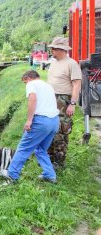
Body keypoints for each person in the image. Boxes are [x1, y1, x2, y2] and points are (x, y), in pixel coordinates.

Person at [1, 70, 60, 183]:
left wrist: (29, 120)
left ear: (28, 78)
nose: (25, 84)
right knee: (40, 149)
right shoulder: (48, 86)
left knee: (24, 148)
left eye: (24, 82)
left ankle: (12, 174)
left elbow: (32, 99)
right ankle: (50, 175)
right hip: (54, 121)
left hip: (41, 121)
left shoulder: (31, 84)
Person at [47, 37, 82, 168]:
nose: (51, 51)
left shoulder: (71, 63)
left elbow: (77, 85)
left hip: (63, 100)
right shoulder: (53, 62)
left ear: (61, 50)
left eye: (53, 49)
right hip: (51, 98)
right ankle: (49, 157)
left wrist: (72, 104)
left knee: (61, 130)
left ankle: (59, 161)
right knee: (50, 128)